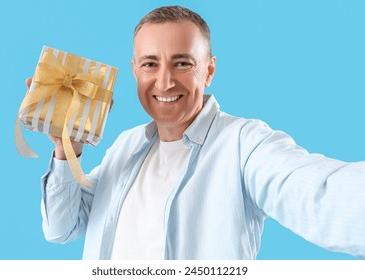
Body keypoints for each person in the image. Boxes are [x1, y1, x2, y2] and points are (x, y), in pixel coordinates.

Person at [34, 5, 365, 260]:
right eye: (150, 64)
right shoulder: (126, 145)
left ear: (209, 70)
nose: (164, 82)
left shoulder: (244, 144)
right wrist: (68, 150)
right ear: (135, 71)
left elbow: (319, 193)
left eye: (182, 63)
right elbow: (62, 228)